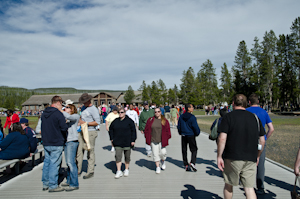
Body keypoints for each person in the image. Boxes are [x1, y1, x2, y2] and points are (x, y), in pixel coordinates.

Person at [217, 94, 266, 199]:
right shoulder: (255, 118)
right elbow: (262, 141)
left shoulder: (228, 117)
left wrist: (219, 156)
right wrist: (258, 156)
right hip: (251, 157)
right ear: (246, 103)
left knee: (229, 185)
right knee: (249, 188)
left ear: (233, 103)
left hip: (232, 156)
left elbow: (222, 138)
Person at [246, 93, 275, 195]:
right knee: (260, 164)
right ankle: (260, 187)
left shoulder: (246, 111)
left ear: (249, 102)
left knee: (246, 161)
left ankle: (244, 182)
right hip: (260, 140)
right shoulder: (264, 112)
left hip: (248, 140)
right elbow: (271, 128)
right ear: (258, 101)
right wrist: (265, 138)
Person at [41, 95, 69, 192]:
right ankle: (53, 185)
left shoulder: (44, 113)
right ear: (58, 102)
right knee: (54, 164)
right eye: (61, 104)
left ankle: (45, 183)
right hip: (56, 142)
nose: (62, 106)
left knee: (47, 162)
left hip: (46, 141)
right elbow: (64, 128)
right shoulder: (58, 114)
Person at [77, 93, 101, 179]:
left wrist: (86, 123)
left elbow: (97, 122)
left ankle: (90, 170)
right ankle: (78, 170)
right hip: (81, 131)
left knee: (90, 151)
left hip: (90, 132)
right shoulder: (83, 108)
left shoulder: (93, 109)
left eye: (84, 102)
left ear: (88, 101)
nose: (83, 104)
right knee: (79, 151)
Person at [109, 107, 136, 178]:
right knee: (118, 156)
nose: (120, 114)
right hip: (117, 142)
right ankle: (119, 171)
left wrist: (133, 140)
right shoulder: (115, 121)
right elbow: (110, 129)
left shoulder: (129, 121)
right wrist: (112, 139)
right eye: (119, 112)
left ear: (124, 113)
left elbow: (133, 131)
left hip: (127, 142)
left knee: (127, 157)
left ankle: (126, 169)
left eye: (122, 112)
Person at [144, 108, 171, 174]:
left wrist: (167, 137)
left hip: (162, 140)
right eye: (155, 112)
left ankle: (163, 161)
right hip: (153, 140)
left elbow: (168, 130)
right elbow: (146, 129)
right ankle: (157, 167)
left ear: (160, 112)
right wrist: (147, 137)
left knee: (163, 153)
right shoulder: (150, 120)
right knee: (156, 154)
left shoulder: (164, 120)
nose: (157, 113)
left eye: (158, 111)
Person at [61, 104, 80, 191]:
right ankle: (69, 180)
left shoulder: (75, 116)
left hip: (72, 141)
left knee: (71, 162)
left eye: (68, 107)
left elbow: (69, 117)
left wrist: (61, 111)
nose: (65, 108)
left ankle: (74, 183)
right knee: (68, 163)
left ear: (72, 109)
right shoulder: (67, 118)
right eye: (65, 107)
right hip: (67, 141)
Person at [177, 104, 200, 171]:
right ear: (188, 108)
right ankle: (192, 162)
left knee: (184, 150)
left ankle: (186, 164)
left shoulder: (181, 116)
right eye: (192, 107)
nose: (193, 108)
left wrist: (180, 132)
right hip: (191, 135)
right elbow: (195, 127)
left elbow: (179, 126)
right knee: (194, 149)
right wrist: (197, 133)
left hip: (184, 135)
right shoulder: (192, 117)